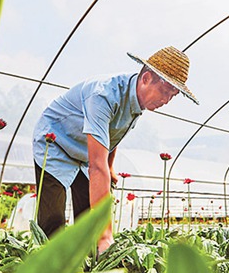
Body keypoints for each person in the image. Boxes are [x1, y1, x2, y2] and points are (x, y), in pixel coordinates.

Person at [32, 46, 197, 253]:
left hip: (84, 151)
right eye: (164, 91)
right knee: (53, 220)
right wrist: (106, 235)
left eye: (171, 96)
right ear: (146, 78)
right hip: (55, 142)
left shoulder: (137, 103)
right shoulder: (104, 95)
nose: (165, 100)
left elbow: (112, 136)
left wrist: (110, 167)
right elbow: (96, 167)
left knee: (88, 220)